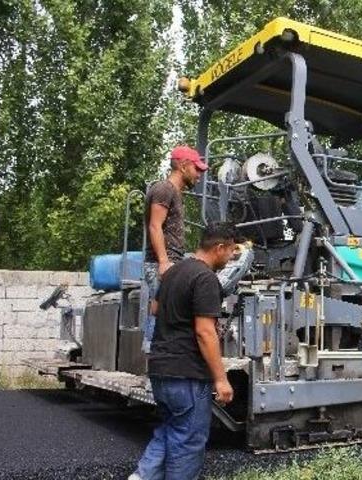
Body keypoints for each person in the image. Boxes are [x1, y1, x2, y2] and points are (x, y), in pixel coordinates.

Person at [130, 222, 238, 480]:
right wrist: (221, 379)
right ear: (219, 247)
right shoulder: (205, 278)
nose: (232, 257)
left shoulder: (172, 273)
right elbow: (204, 332)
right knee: (188, 442)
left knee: (169, 433)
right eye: (231, 251)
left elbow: (155, 309)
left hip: (160, 371)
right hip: (187, 374)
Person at [142, 145, 207, 353]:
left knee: (161, 310)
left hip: (171, 262)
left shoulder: (174, 193)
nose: (199, 175)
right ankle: (154, 356)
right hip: (162, 263)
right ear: (183, 165)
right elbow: (155, 225)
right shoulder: (164, 189)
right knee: (161, 311)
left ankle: (155, 354)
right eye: (196, 169)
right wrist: (163, 262)